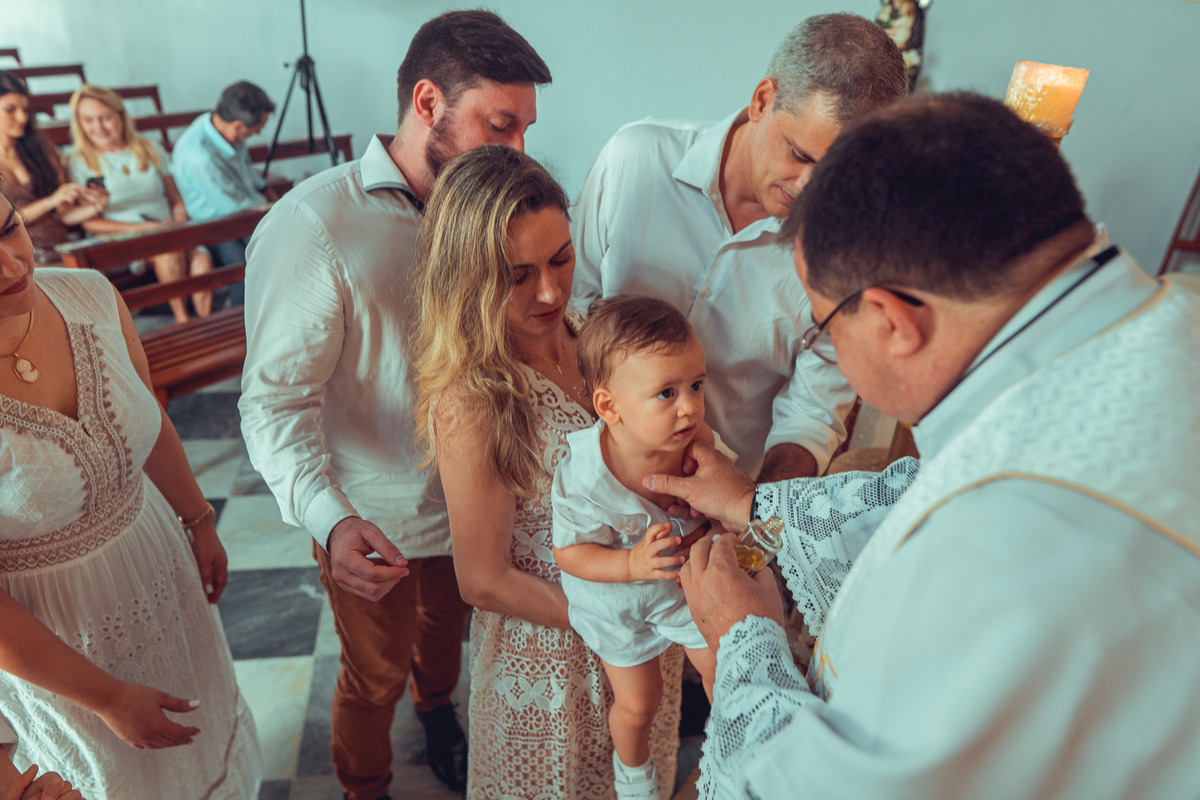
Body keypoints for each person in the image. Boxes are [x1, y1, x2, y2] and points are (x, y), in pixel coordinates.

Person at [641, 93, 1200, 799]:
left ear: (891, 319)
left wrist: (746, 641)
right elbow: (935, 484)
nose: (833, 356)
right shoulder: (1167, 312)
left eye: (824, 327)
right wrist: (754, 502)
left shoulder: (989, 556)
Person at [239, 12, 550, 798]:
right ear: (426, 101)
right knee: (372, 676)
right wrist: (331, 521)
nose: (517, 152)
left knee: (447, 645)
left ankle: (438, 710)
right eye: (499, 125)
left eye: (525, 130)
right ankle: (364, 783)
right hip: (374, 515)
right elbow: (274, 403)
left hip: (474, 500)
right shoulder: (314, 226)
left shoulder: (491, 208)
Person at [413, 144, 684, 800]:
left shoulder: (598, 337)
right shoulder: (475, 397)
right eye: (516, 274)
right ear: (469, 276)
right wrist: (619, 617)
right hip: (552, 658)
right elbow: (482, 579)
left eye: (561, 259)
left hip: (646, 639)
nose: (549, 291)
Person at [0, 188, 261, 798]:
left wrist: (198, 519)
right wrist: (108, 698)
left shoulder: (88, 293)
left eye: (8, 229)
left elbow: (148, 419)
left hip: (156, 564)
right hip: (58, 638)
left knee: (202, 722)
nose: (12, 266)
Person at [570, 13, 908, 482]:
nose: (809, 187)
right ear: (762, 100)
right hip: (584, 487)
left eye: (835, 173)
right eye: (799, 154)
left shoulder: (850, 257)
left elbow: (810, 417)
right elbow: (572, 312)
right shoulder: (635, 161)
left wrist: (750, 525)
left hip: (725, 515)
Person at [551, 296, 721, 799]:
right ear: (609, 407)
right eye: (666, 393)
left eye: (695, 385)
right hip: (616, 601)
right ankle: (634, 777)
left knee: (720, 660)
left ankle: (728, 741)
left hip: (674, 587)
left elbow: (715, 492)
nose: (688, 406)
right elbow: (570, 554)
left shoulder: (695, 440)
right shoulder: (584, 475)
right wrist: (630, 562)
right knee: (641, 702)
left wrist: (705, 504)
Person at [66, 85, 212, 323]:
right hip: (125, 237)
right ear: (79, 123)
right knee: (168, 253)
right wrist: (144, 229)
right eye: (89, 120)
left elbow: (175, 199)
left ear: (120, 116)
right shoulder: (79, 161)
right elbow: (91, 224)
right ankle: (183, 320)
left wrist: (177, 221)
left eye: (105, 118)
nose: (98, 127)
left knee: (201, 259)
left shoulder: (149, 148)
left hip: (167, 227)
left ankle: (206, 324)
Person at [172, 80, 276, 304]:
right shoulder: (199, 158)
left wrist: (270, 196)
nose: (258, 133)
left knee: (280, 244)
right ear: (239, 126)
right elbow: (233, 208)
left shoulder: (220, 126)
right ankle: (243, 320)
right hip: (215, 224)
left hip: (244, 211)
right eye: (257, 128)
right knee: (245, 264)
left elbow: (248, 175)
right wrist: (275, 210)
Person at [0, 71, 105, 264]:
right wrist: (50, 201)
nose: (22, 117)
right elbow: (3, 223)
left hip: (59, 246)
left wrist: (97, 206)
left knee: (94, 280)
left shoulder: (42, 149)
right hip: (15, 254)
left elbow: (65, 214)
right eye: (10, 109)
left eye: (25, 109)